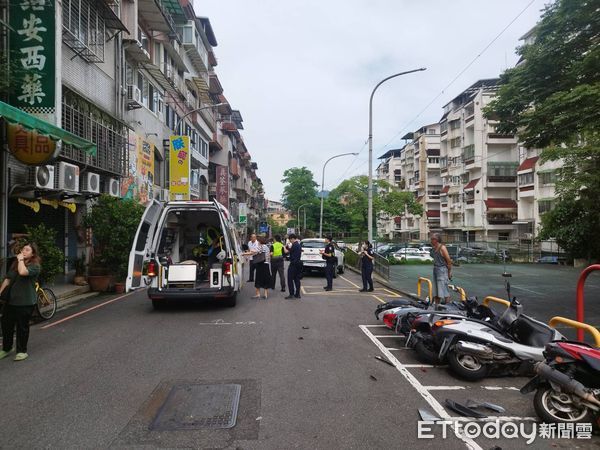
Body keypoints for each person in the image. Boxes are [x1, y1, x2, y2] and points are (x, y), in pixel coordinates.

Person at [0, 242, 42, 361]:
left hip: (25, 302)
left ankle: (22, 351)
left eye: (27, 250)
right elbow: (8, 279)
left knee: (22, 327)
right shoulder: (15, 264)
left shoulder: (35, 266)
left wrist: (20, 260)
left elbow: (23, 272)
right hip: (11, 301)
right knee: (6, 325)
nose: (24, 251)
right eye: (23, 249)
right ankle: (6, 348)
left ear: (33, 253)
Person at [431, 232, 452, 303]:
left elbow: (448, 261)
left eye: (432, 239)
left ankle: (448, 307)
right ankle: (436, 307)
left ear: (436, 240)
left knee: (444, 290)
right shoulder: (434, 248)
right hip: (436, 269)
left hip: (442, 270)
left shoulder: (442, 248)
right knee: (436, 291)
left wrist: (449, 273)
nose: (431, 240)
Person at [284, 233, 302, 299]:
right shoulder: (298, 245)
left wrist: (284, 247)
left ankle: (291, 294)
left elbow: (287, 252)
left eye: (289, 239)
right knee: (297, 279)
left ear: (292, 239)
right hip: (298, 264)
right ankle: (297, 294)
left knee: (290, 279)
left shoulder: (294, 245)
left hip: (293, 264)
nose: (289, 241)